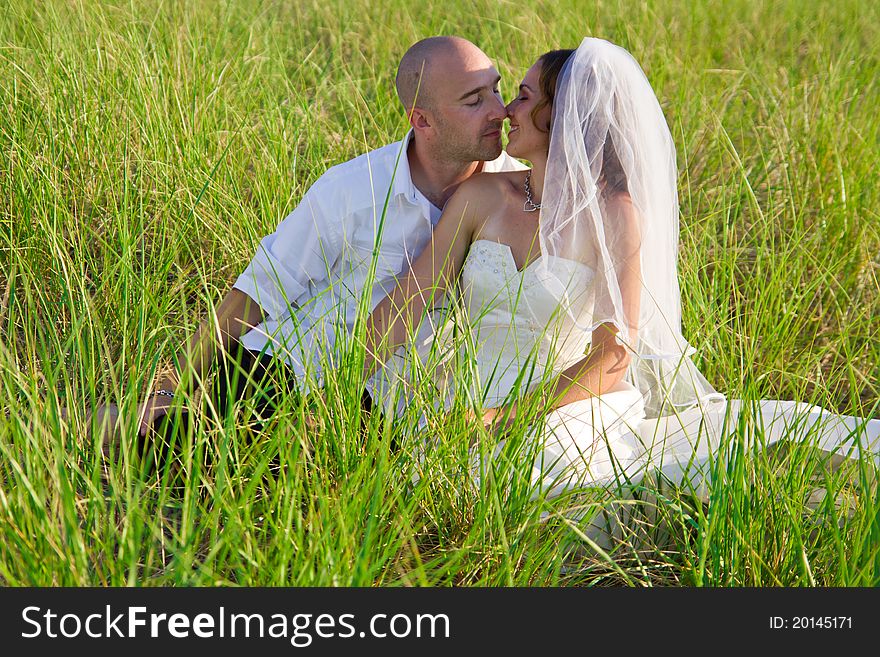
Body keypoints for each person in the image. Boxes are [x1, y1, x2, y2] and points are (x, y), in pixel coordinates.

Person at [361, 38, 880, 531]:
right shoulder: (482, 195)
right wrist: (337, 387)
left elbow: (614, 355)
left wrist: (504, 417)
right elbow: (410, 300)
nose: (506, 112)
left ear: (561, 116)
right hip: (464, 396)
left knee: (543, 479)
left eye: (522, 96)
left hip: (563, 401)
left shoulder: (613, 214)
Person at [94, 36, 525, 460]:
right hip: (293, 375)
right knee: (169, 450)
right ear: (422, 120)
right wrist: (172, 387)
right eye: (473, 101)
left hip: (406, 404)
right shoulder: (353, 189)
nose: (498, 111)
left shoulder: (520, 196)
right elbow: (257, 293)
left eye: (496, 88)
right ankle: (73, 428)